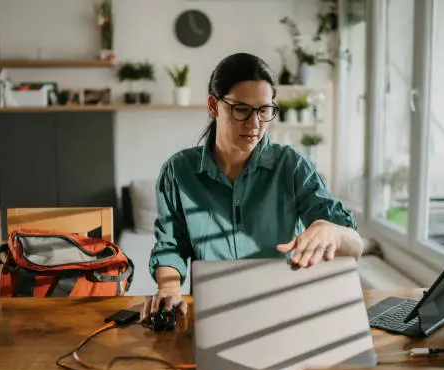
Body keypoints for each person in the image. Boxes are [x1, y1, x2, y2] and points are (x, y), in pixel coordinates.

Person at [142, 53, 363, 320]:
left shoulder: (292, 166)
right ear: (214, 105)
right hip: (213, 314)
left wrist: (333, 231)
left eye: (264, 110)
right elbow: (171, 245)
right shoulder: (178, 171)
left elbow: (355, 246)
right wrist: (168, 288)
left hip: (285, 311)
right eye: (242, 110)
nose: (255, 124)